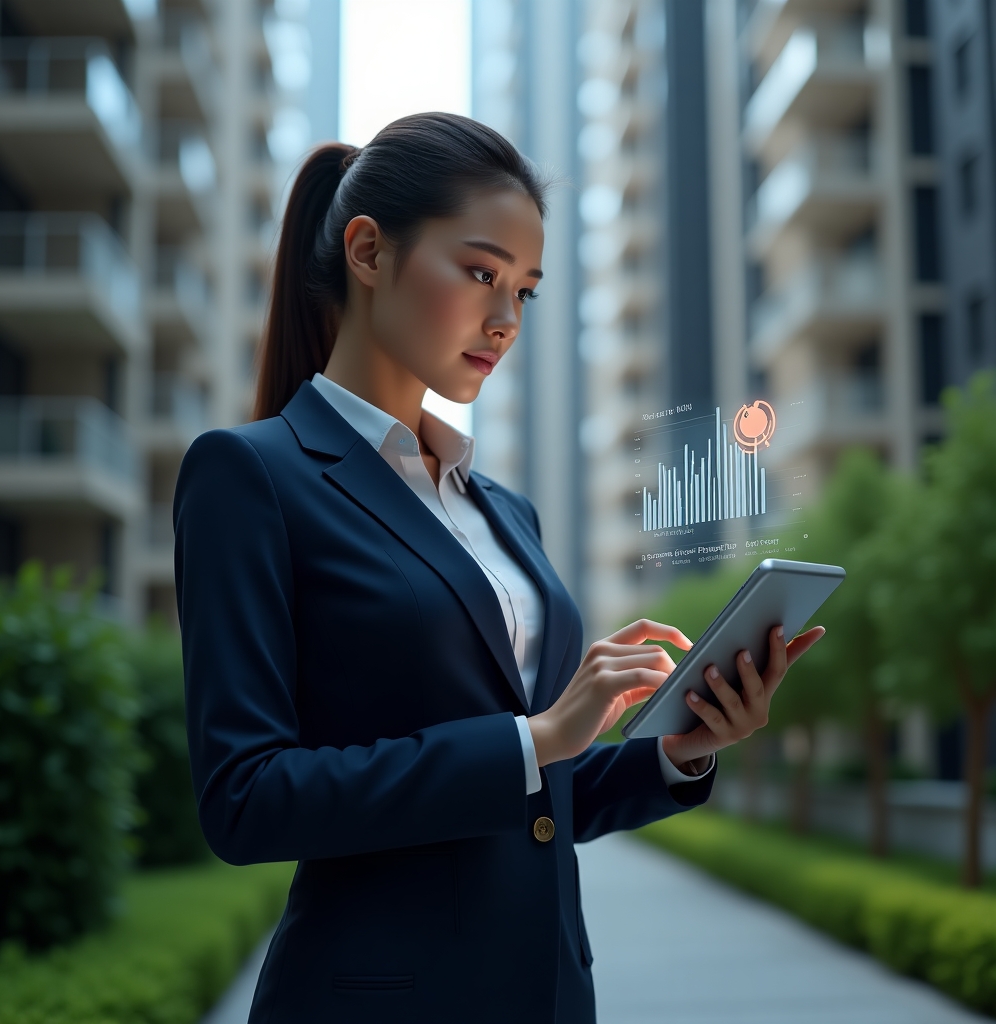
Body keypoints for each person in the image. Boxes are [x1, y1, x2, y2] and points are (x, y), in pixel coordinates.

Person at [174, 112, 823, 1024]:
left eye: (527, 289)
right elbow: (245, 800)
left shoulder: (503, 511)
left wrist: (679, 748)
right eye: (481, 273)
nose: (506, 318)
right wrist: (538, 736)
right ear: (368, 251)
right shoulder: (251, 475)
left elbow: (539, 797)